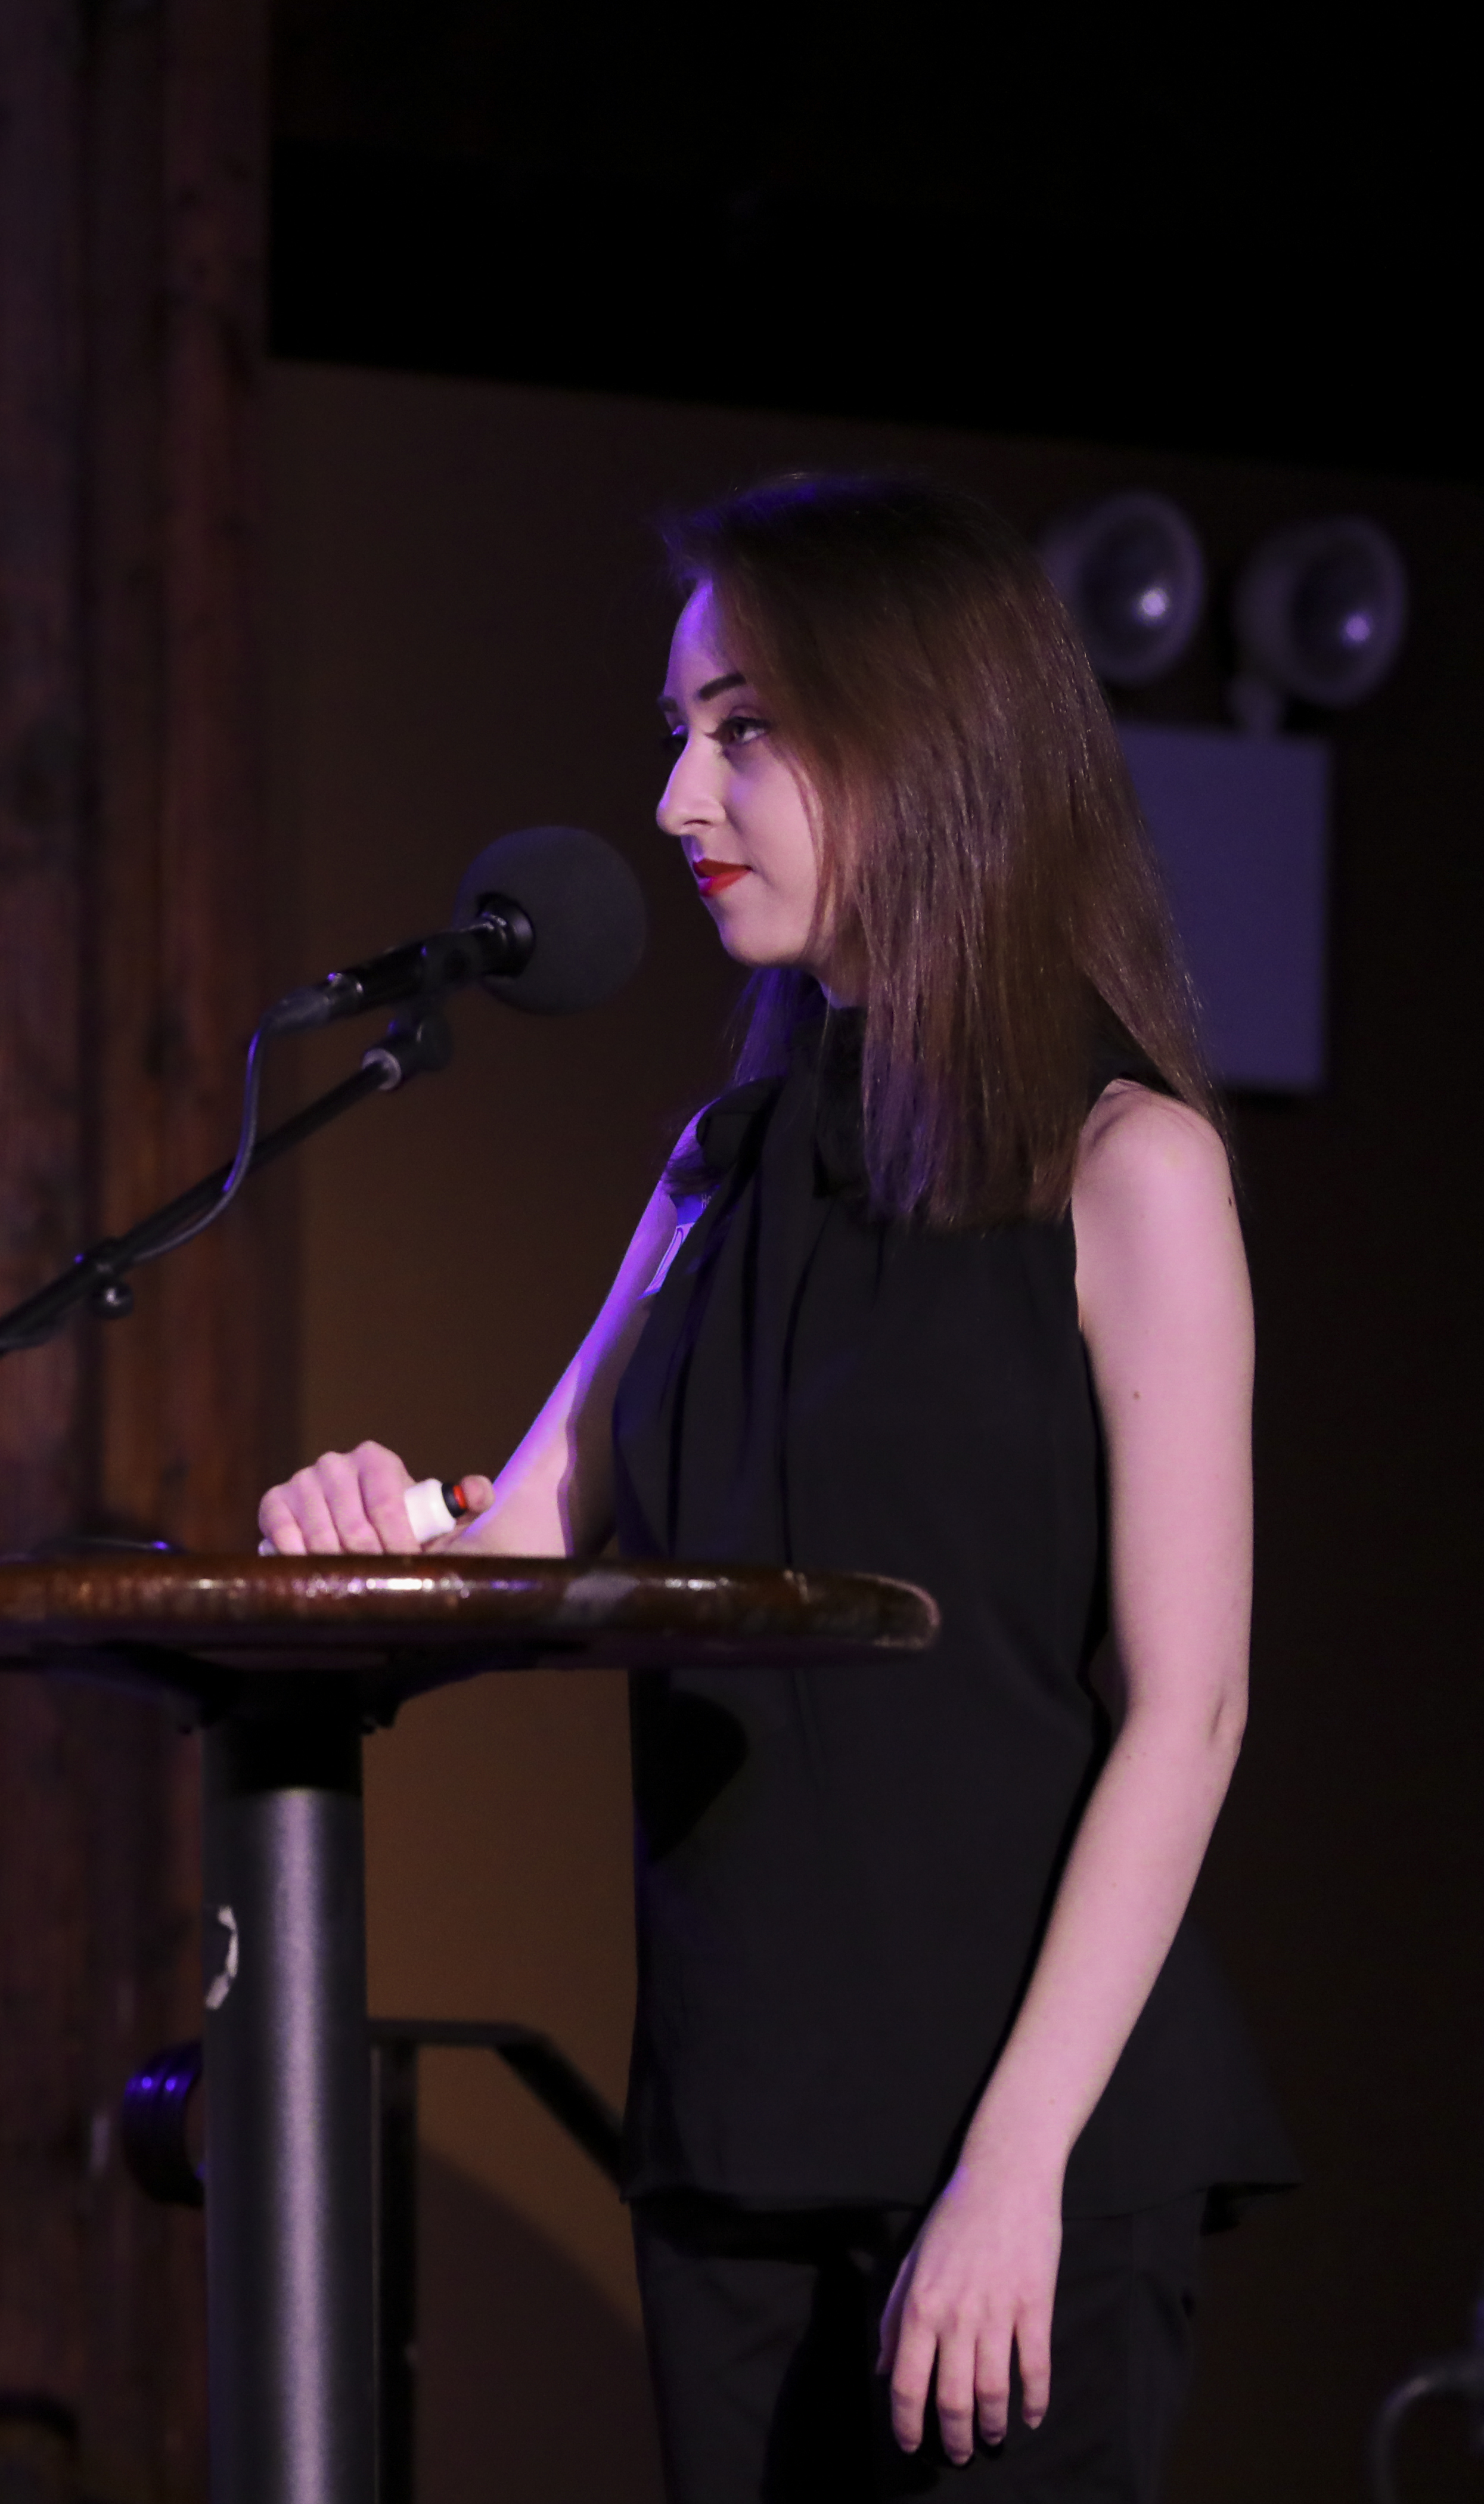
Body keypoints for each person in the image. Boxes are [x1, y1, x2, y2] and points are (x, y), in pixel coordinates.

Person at [260, 475, 1291, 2500]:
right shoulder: (721, 1162)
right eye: (678, 734)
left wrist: (1016, 2175)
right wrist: (366, 1537)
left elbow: (1193, 1706)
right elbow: (527, 1540)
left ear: (925, 738)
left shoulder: (1124, 1169)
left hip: (1016, 2143)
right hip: (736, 2126)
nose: (674, 799)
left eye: (740, 728)